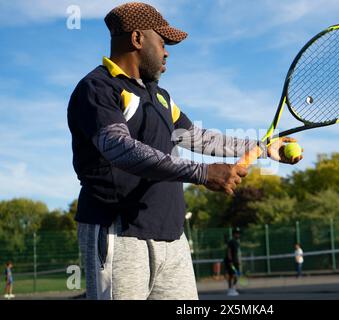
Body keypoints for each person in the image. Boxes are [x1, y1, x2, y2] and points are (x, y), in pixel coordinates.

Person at [67, 2, 302, 300]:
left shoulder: (161, 96)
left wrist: (262, 147)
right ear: (138, 39)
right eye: (163, 42)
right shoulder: (98, 88)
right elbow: (120, 149)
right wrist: (202, 173)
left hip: (173, 238)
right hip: (119, 233)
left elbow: (197, 137)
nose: (167, 52)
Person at [224, 228, 241, 296]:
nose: (238, 234)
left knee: (236, 275)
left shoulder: (237, 242)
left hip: (235, 261)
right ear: (234, 234)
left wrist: (238, 260)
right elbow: (229, 251)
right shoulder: (231, 242)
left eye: (239, 233)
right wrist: (230, 261)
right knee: (232, 275)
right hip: (231, 262)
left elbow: (237, 253)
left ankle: (232, 288)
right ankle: (230, 289)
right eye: (237, 233)